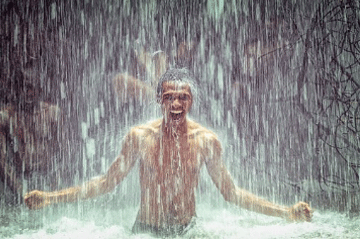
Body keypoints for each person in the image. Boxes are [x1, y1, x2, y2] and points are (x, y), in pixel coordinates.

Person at [24, 68, 312, 237]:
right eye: (169, 97)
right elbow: (105, 183)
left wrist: (286, 212)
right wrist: (50, 198)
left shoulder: (206, 141)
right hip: (146, 231)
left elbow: (232, 193)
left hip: (189, 232)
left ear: (191, 101)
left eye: (182, 97)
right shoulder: (139, 137)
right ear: (159, 101)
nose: (176, 103)